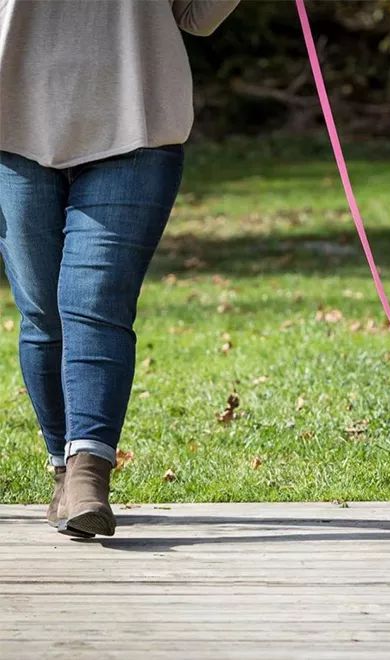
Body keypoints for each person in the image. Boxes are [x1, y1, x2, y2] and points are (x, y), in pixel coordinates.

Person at [0, 0, 241, 538]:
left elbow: (198, 13)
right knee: (43, 312)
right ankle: (63, 466)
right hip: (12, 123)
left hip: (138, 120)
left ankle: (89, 469)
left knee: (95, 299)